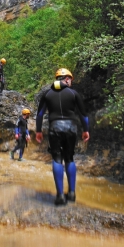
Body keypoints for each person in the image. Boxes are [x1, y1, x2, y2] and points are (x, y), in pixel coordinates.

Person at [35, 68, 90, 206]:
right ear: (66, 78)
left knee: (57, 159)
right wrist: (86, 130)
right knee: (69, 158)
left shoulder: (47, 94)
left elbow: (40, 114)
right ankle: (71, 194)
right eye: (71, 79)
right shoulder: (73, 93)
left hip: (55, 127)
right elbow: (83, 114)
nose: (71, 82)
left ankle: (59, 196)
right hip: (71, 128)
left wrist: (38, 131)